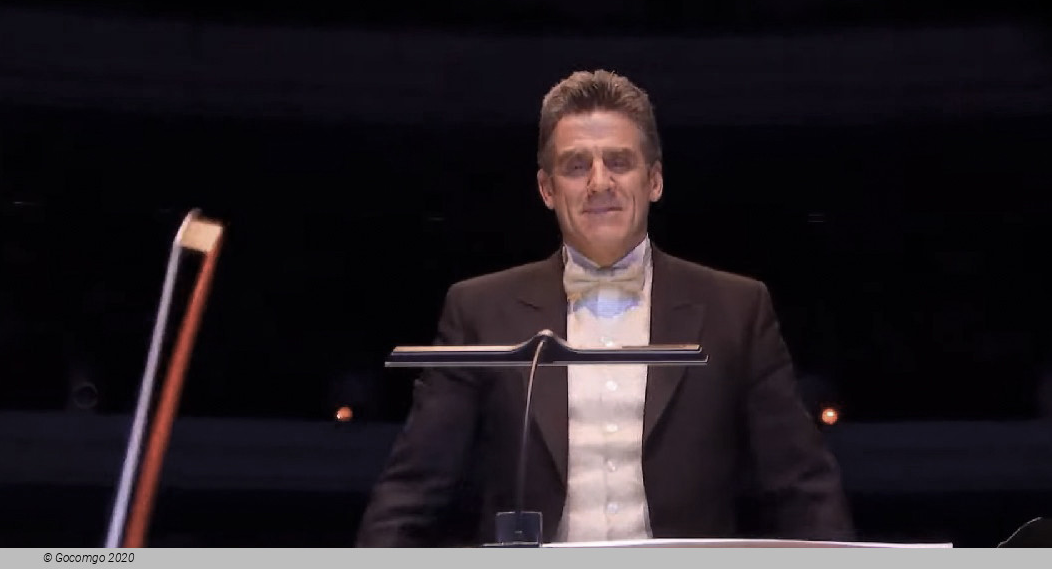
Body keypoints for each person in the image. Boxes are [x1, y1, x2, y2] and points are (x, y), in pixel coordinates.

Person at [356, 69, 854, 547]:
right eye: (577, 166)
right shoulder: (479, 310)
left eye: (619, 162)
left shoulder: (737, 309)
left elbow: (803, 490)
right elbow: (412, 492)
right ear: (547, 189)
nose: (599, 182)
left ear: (654, 180)